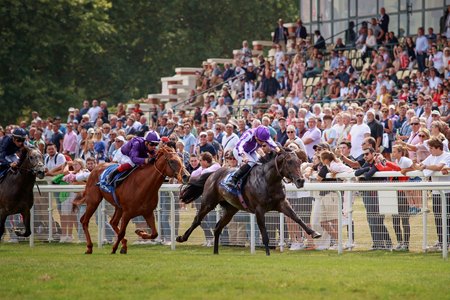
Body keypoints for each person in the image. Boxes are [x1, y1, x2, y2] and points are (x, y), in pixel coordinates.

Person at [355, 147, 393, 250]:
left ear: (373, 154)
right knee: (371, 220)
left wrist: (367, 170)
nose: (365, 156)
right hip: (368, 194)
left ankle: (388, 243)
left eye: (367, 154)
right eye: (364, 155)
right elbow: (357, 173)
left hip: (377, 195)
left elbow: (367, 176)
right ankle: (377, 244)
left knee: (378, 220)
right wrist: (367, 168)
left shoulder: (378, 164)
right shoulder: (367, 164)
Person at [417, 138, 450, 251]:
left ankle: (446, 242)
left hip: (447, 191)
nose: (429, 150)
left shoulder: (447, 155)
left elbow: (438, 167)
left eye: (431, 148)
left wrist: (425, 167)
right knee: (438, 217)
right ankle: (441, 242)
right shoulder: (431, 157)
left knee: (447, 217)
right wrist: (421, 166)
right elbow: (421, 165)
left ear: (437, 147)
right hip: (436, 192)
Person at [224, 125, 279, 189]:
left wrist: (279, 151)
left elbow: (273, 144)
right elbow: (239, 146)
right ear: (255, 137)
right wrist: (244, 156)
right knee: (251, 163)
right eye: (261, 141)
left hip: (251, 151)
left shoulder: (264, 135)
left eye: (264, 141)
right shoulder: (249, 134)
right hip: (239, 150)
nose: (262, 143)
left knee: (259, 163)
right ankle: (233, 179)